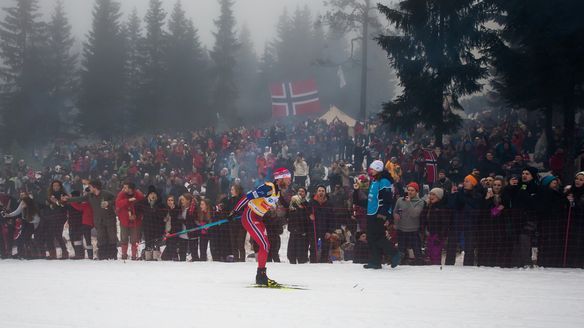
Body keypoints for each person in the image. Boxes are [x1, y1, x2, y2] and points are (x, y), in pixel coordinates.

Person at [229, 167, 292, 286]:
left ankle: (261, 275)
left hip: (258, 218)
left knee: (266, 245)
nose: (289, 181)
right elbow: (248, 197)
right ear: (279, 179)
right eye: (287, 178)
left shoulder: (277, 191)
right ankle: (261, 276)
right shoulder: (268, 188)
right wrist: (235, 211)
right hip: (250, 217)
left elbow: (284, 204)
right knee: (264, 244)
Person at [352, 160, 401, 269]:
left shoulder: (384, 181)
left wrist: (383, 214)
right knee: (371, 238)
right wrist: (356, 191)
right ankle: (375, 262)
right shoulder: (374, 181)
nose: (370, 171)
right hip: (371, 213)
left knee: (378, 237)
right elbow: (369, 200)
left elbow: (388, 199)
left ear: (378, 169)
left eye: (372, 169)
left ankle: (394, 253)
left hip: (378, 214)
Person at [64, 180, 118, 260]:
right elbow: (80, 198)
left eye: (90, 186)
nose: (89, 188)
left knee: (112, 236)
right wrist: (68, 199)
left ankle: (113, 255)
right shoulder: (90, 196)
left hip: (109, 219)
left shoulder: (106, 193)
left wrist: (108, 203)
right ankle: (103, 255)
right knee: (101, 237)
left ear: (95, 187)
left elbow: (116, 200)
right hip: (98, 220)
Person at [115, 182, 144, 260]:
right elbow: (118, 204)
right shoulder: (121, 194)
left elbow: (142, 206)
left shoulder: (138, 195)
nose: (123, 189)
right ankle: (124, 255)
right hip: (124, 220)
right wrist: (127, 200)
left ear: (131, 189)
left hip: (135, 221)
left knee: (134, 239)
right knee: (124, 238)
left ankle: (134, 255)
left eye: (125, 187)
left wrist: (136, 216)